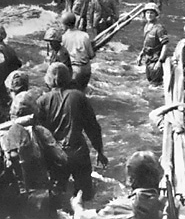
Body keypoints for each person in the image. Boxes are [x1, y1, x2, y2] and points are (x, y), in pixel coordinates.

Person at [36, 62, 108, 202]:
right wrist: (99, 151)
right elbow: (92, 127)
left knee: (57, 195)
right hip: (79, 153)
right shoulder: (79, 97)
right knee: (85, 196)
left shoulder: (42, 101)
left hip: (56, 155)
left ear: (49, 80)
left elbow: (38, 133)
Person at [72, 151, 165, 219]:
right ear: (160, 176)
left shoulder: (120, 208)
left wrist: (77, 206)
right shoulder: (168, 205)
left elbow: (81, 217)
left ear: (130, 179)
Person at [61, 12, 95, 91]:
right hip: (86, 69)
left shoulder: (63, 38)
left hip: (73, 71)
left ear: (65, 25)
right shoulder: (84, 35)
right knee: (82, 92)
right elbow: (91, 55)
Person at [136, 3, 169, 87]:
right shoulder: (147, 26)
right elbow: (146, 43)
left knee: (155, 85)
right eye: (147, 13)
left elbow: (165, 45)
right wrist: (140, 55)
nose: (149, 15)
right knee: (149, 81)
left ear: (156, 14)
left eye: (151, 13)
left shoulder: (159, 28)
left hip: (156, 60)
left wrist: (160, 61)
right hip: (148, 59)